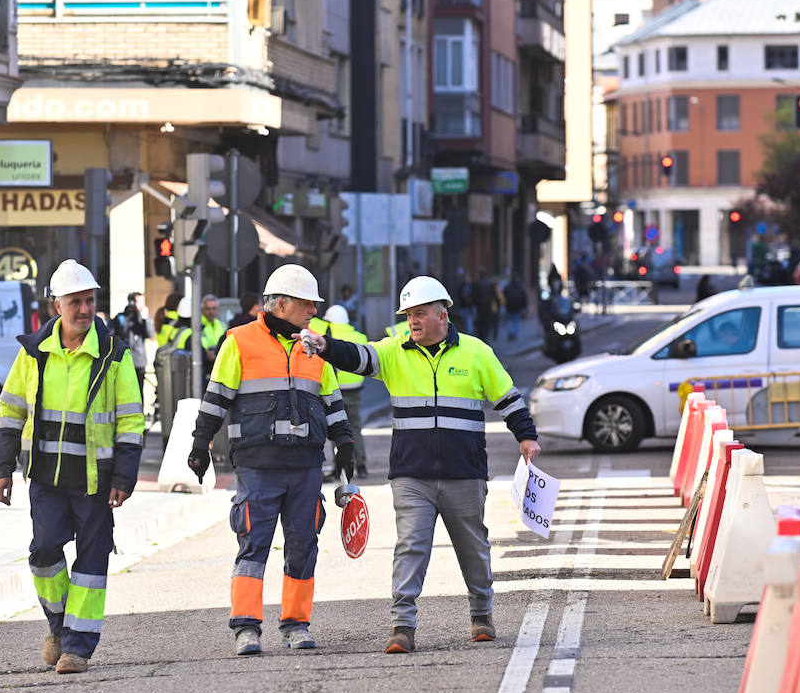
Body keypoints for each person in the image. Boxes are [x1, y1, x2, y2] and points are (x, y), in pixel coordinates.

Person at [307, 276, 541, 654]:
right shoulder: (395, 351)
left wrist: (526, 436)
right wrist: (325, 346)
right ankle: (403, 626)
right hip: (411, 475)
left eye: (419, 314)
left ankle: (482, 615)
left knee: (473, 547)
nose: (412, 321)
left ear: (442, 315)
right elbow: (359, 355)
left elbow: (508, 399)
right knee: (410, 547)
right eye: (408, 315)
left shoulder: (476, 353)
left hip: (464, 472)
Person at [186, 264, 353, 656]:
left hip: (306, 465)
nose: (313, 310)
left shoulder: (316, 346)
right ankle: (246, 628)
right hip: (258, 466)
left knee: (303, 545)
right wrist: (199, 442)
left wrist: (344, 441)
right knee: (253, 545)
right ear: (280, 304)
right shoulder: (240, 342)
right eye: (306, 303)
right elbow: (216, 399)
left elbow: (332, 401)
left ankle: (297, 624)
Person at [0, 260, 145, 675]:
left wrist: (125, 476)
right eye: (75, 301)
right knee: (43, 552)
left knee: (91, 562)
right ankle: (58, 625)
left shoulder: (114, 355)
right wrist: (2, 468)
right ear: (56, 305)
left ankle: (77, 647)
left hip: (95, 481)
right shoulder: (33, 354)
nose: (84, 309)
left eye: (89, 300)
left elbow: (131, 420)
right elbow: (10, 411)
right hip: (45, 478)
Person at [310, 304, 369, 479]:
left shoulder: (326, 332)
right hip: (356, 389)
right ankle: (362, 465)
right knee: (355, 427)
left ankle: (339, 468)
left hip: (334, 389)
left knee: (336, 427)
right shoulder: (360, 336)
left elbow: (312, 321)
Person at [112, 292, 154, 394]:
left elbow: (150, 334)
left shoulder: (142, 318)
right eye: (139, 302)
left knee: (139, 391)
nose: (142, 305)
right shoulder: (121, 317)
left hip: (139, 360)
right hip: (123, 359)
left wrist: (145, 318)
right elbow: (113, 335)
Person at [501, 273, 528, 341]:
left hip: (509, 306)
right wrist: (524, 306)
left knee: (509, 320)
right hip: (517, 306)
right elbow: (524, 297)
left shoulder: (507, 286)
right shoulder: (520, 286)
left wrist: (504, 304)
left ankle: (511, 333)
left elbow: (503, 296)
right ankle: (515, 334)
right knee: (516, 321)